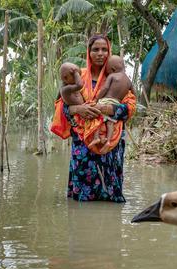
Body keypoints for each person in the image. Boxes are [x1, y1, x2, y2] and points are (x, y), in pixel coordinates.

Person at [50, 35, 136, 202]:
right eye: (95, 49)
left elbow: (130, 108)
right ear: (88, 53)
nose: (100, 53)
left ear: (109, 52)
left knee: (110, 190)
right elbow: (61, 106)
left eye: (104, 49)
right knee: (83, 192)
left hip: (110, 142)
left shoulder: (118, 77)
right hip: (83, 142)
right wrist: (78, 108)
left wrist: (108, 108)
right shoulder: (76, 76)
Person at [96, 55, 134, 154]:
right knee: (110, 123)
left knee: (97, 118)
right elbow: (134, 96)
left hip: (106, 101)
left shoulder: (112, 76)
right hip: (117, 103)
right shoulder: (129, 81)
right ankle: (108, 141)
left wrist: (96, 99)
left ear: (112, 69)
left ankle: (97, 137)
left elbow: (104, 88)